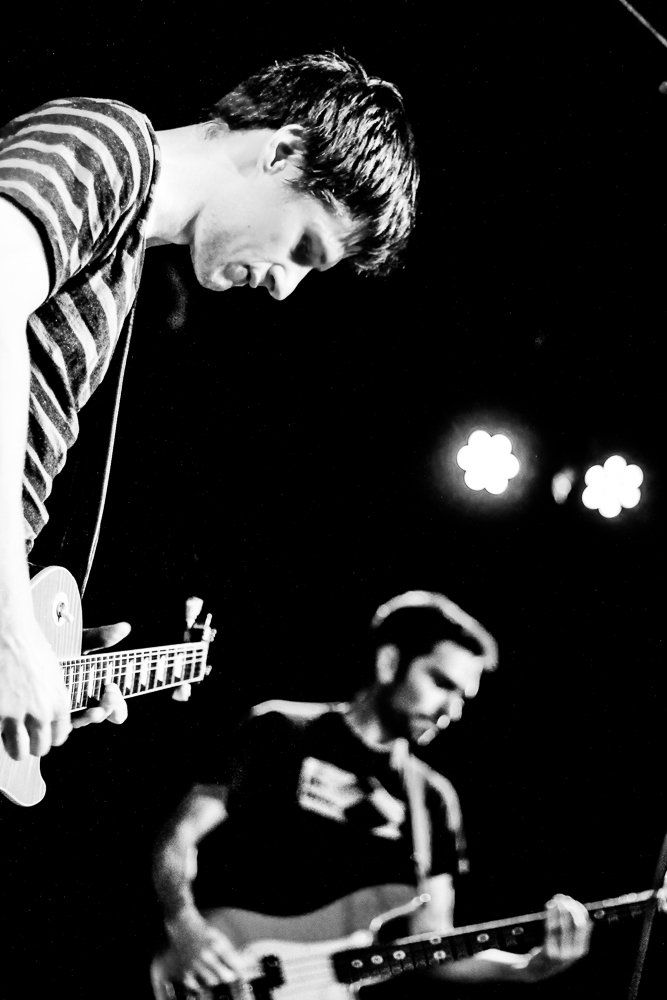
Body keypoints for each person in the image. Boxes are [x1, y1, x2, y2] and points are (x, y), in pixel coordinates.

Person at [0, 53, 419, 764]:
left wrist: (44, 656)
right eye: (304, 247)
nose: (285, 289)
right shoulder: (111, 145)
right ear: (282, 152)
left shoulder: (124, 268)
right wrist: (12, 623)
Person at [150, 590, 592, 997]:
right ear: (389, 662)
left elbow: (431, 939)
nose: (451, 711)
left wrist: (527, 968)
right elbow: (178, 838)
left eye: (463, 697)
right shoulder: (280, 730)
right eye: (442, 683)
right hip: (215, 973)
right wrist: (184, 925)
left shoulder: (432, 799)